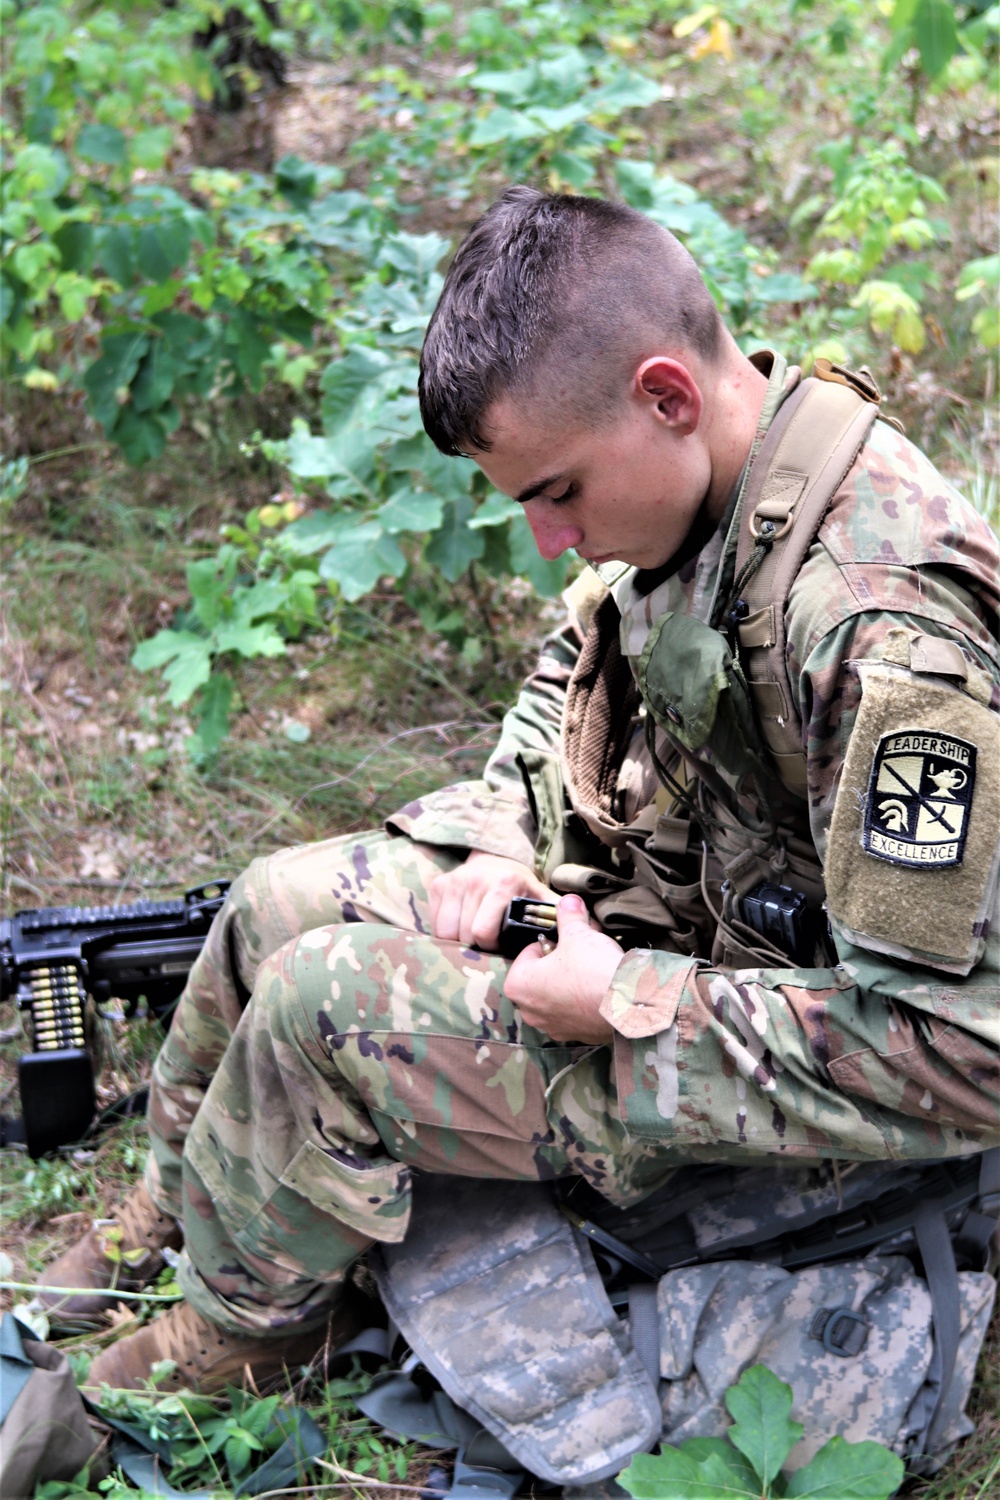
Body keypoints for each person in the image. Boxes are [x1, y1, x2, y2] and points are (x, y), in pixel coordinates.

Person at [40, 186, 1000, 1395]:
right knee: (275, 904)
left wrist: (627, 998)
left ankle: (241, 1345)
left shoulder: (878, 633)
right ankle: (168, 1212)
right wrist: (503, 843)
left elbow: (963, 1053)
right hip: (686, 927)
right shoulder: (714, 484)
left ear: (666, 394)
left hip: (801, 1071)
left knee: (317, 1004)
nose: (551, 538)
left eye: (557, 492)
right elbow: (575, 671)